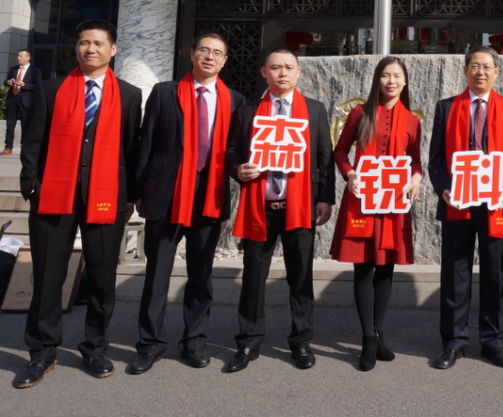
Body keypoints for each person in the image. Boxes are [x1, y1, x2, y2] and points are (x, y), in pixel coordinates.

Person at [15, 19, 142, 388]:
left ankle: (95, 348)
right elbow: (33, 141)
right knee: (48, 276)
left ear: (112, 50)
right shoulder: (51, 89)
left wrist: (129, 196)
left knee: (102, 277)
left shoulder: (130, 94)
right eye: (84, 42)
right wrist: (31, 185)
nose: (91, 49)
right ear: (76, 47)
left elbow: (131, 150)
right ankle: (42, 352)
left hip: (105, 196)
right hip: (55, 194)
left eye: (99, 43)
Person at [130, 33, 246, 374]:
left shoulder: (235, 100)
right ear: (192, 53)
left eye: (217, 53)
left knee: (201, 274)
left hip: (209, 195)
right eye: (204, 50)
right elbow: (146, 141)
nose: (210, 56)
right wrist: (138, 191)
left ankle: (194, 341)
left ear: (225, 61)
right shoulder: (165, 92)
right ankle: (150, 344)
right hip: (166, 194)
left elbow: (235, 150)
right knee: (157, 274)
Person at [224, 48, 334, 373]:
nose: (282, 73)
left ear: (299, 72)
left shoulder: (314, 110)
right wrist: (237, 169)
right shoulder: (248, 111)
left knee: (300, 277)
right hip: (260, 207)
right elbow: (231, 151)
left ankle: (301, 341)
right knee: (253, 277)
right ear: (264, 72)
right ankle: (248, 341)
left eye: (288, 67)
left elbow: (325, 158)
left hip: (299, 208)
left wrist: (325, 198)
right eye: (275, 68)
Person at [428, 46, 503, 370]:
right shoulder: (446, 107)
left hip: (495, 204)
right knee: (455, 274)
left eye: (486, 66)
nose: (480, 71)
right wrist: (444, 188)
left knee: (494, 275)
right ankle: (453, 342)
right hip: (457, 202)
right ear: (465, 70)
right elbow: (436, 158)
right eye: (474, 66)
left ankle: (493, 341)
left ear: (497, 71)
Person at [330, 56, 423, 371]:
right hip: (362, 201)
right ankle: (368, 338)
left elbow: (415, 160)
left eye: (397, 76)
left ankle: (379, 333)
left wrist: (416, 178)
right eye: (385, 75)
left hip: (393, 203)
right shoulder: (360, 112)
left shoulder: (411, 120)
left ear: (405, 81)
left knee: (386, 269)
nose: (391, 81)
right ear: (377, 80)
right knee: (364, 268)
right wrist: (350, 174)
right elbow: (340, 150)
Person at [4, 49, 41, 155]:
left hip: (26, 100)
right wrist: (8, 83)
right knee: (10, 125)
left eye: (20, 56)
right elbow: (6, 81)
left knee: (26, 125)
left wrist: (25, 85)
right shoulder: (13, 69)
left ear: (28, 58)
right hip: (13, 99)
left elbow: (37, 86)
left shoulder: (35, 71)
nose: (18, 58)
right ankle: (8, 147)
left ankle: (25, 147)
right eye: (18, 56)